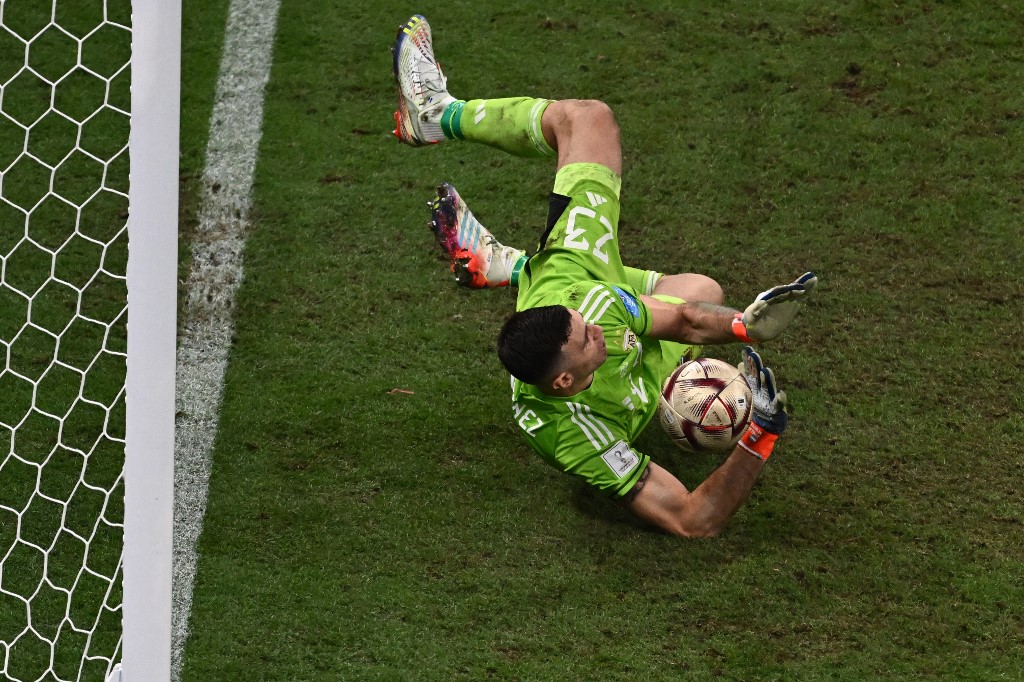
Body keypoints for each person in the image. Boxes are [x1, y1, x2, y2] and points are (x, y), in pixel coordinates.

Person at [391, 15, 818, 537]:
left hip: (574, 269)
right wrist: (761, 435)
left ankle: (440, 116)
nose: (596, 326)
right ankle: (508, 265)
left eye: (585, 322)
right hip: (620, 383)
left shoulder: (590, 308)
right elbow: (690, 520)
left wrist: (745, 327)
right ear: (565, 381)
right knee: (698, 288)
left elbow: (685, 320)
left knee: (588, 120)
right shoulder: (571, 434)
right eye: (586, 336)